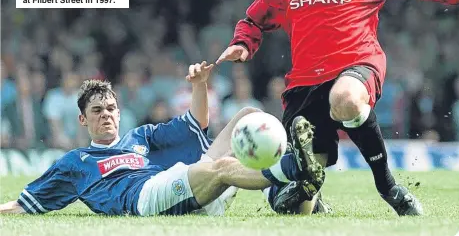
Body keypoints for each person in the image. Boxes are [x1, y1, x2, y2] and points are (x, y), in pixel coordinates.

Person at [216, 0, 459, 216]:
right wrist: (243, 43)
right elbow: (254, 20)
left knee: (346, 98)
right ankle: (311, 198)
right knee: (299, 209)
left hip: (356, 65)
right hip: (304, 85)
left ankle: (388, 186)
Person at [0, 61, 324, 216]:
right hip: (145, 199)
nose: (106, 115)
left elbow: (195, 122)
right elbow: (21, 205)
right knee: (225, 167)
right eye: (97, 110)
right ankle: (293, 170)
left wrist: (199, 85)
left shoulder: (139, 136)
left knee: (249, 115)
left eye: (111, 108)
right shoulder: (76, 162)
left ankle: (294, 194)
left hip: (178, 186)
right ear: (82, 119)